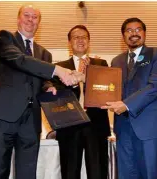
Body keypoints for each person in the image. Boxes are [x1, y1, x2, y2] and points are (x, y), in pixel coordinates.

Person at [0, 5, 81, 179]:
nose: (30, 20)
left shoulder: (44, 53)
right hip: (3, 115)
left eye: (35, 17)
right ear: (18, 18)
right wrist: (58, 70)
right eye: (27, 15)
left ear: (39, 23)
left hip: (31, 120)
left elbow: (41, 80)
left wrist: (49, 87)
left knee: (27, 172)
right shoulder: (4, 39)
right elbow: (20, 60)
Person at [101, 17, 157, 179]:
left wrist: (126, 104)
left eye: (138, 29)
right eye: (129, 30)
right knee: (126, 174)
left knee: (151, 174)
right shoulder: (116, 61)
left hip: (149, 128)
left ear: (144, 33)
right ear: (123, 36)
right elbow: (112, 89)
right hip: (123, 128)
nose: (134, 33)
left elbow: (155, 86)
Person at [52, 25, 111, 179]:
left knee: (98, 171)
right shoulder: (59, 67)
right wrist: (71, 82)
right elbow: (56, 96)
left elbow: (108, 90)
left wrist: (86, 78)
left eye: (84, 37)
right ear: (69, 42)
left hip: (96, 125)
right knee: (70, 171)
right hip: (69, 127)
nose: (80, 40)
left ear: (89, 41)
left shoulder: (101, 64)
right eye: (76, 37)